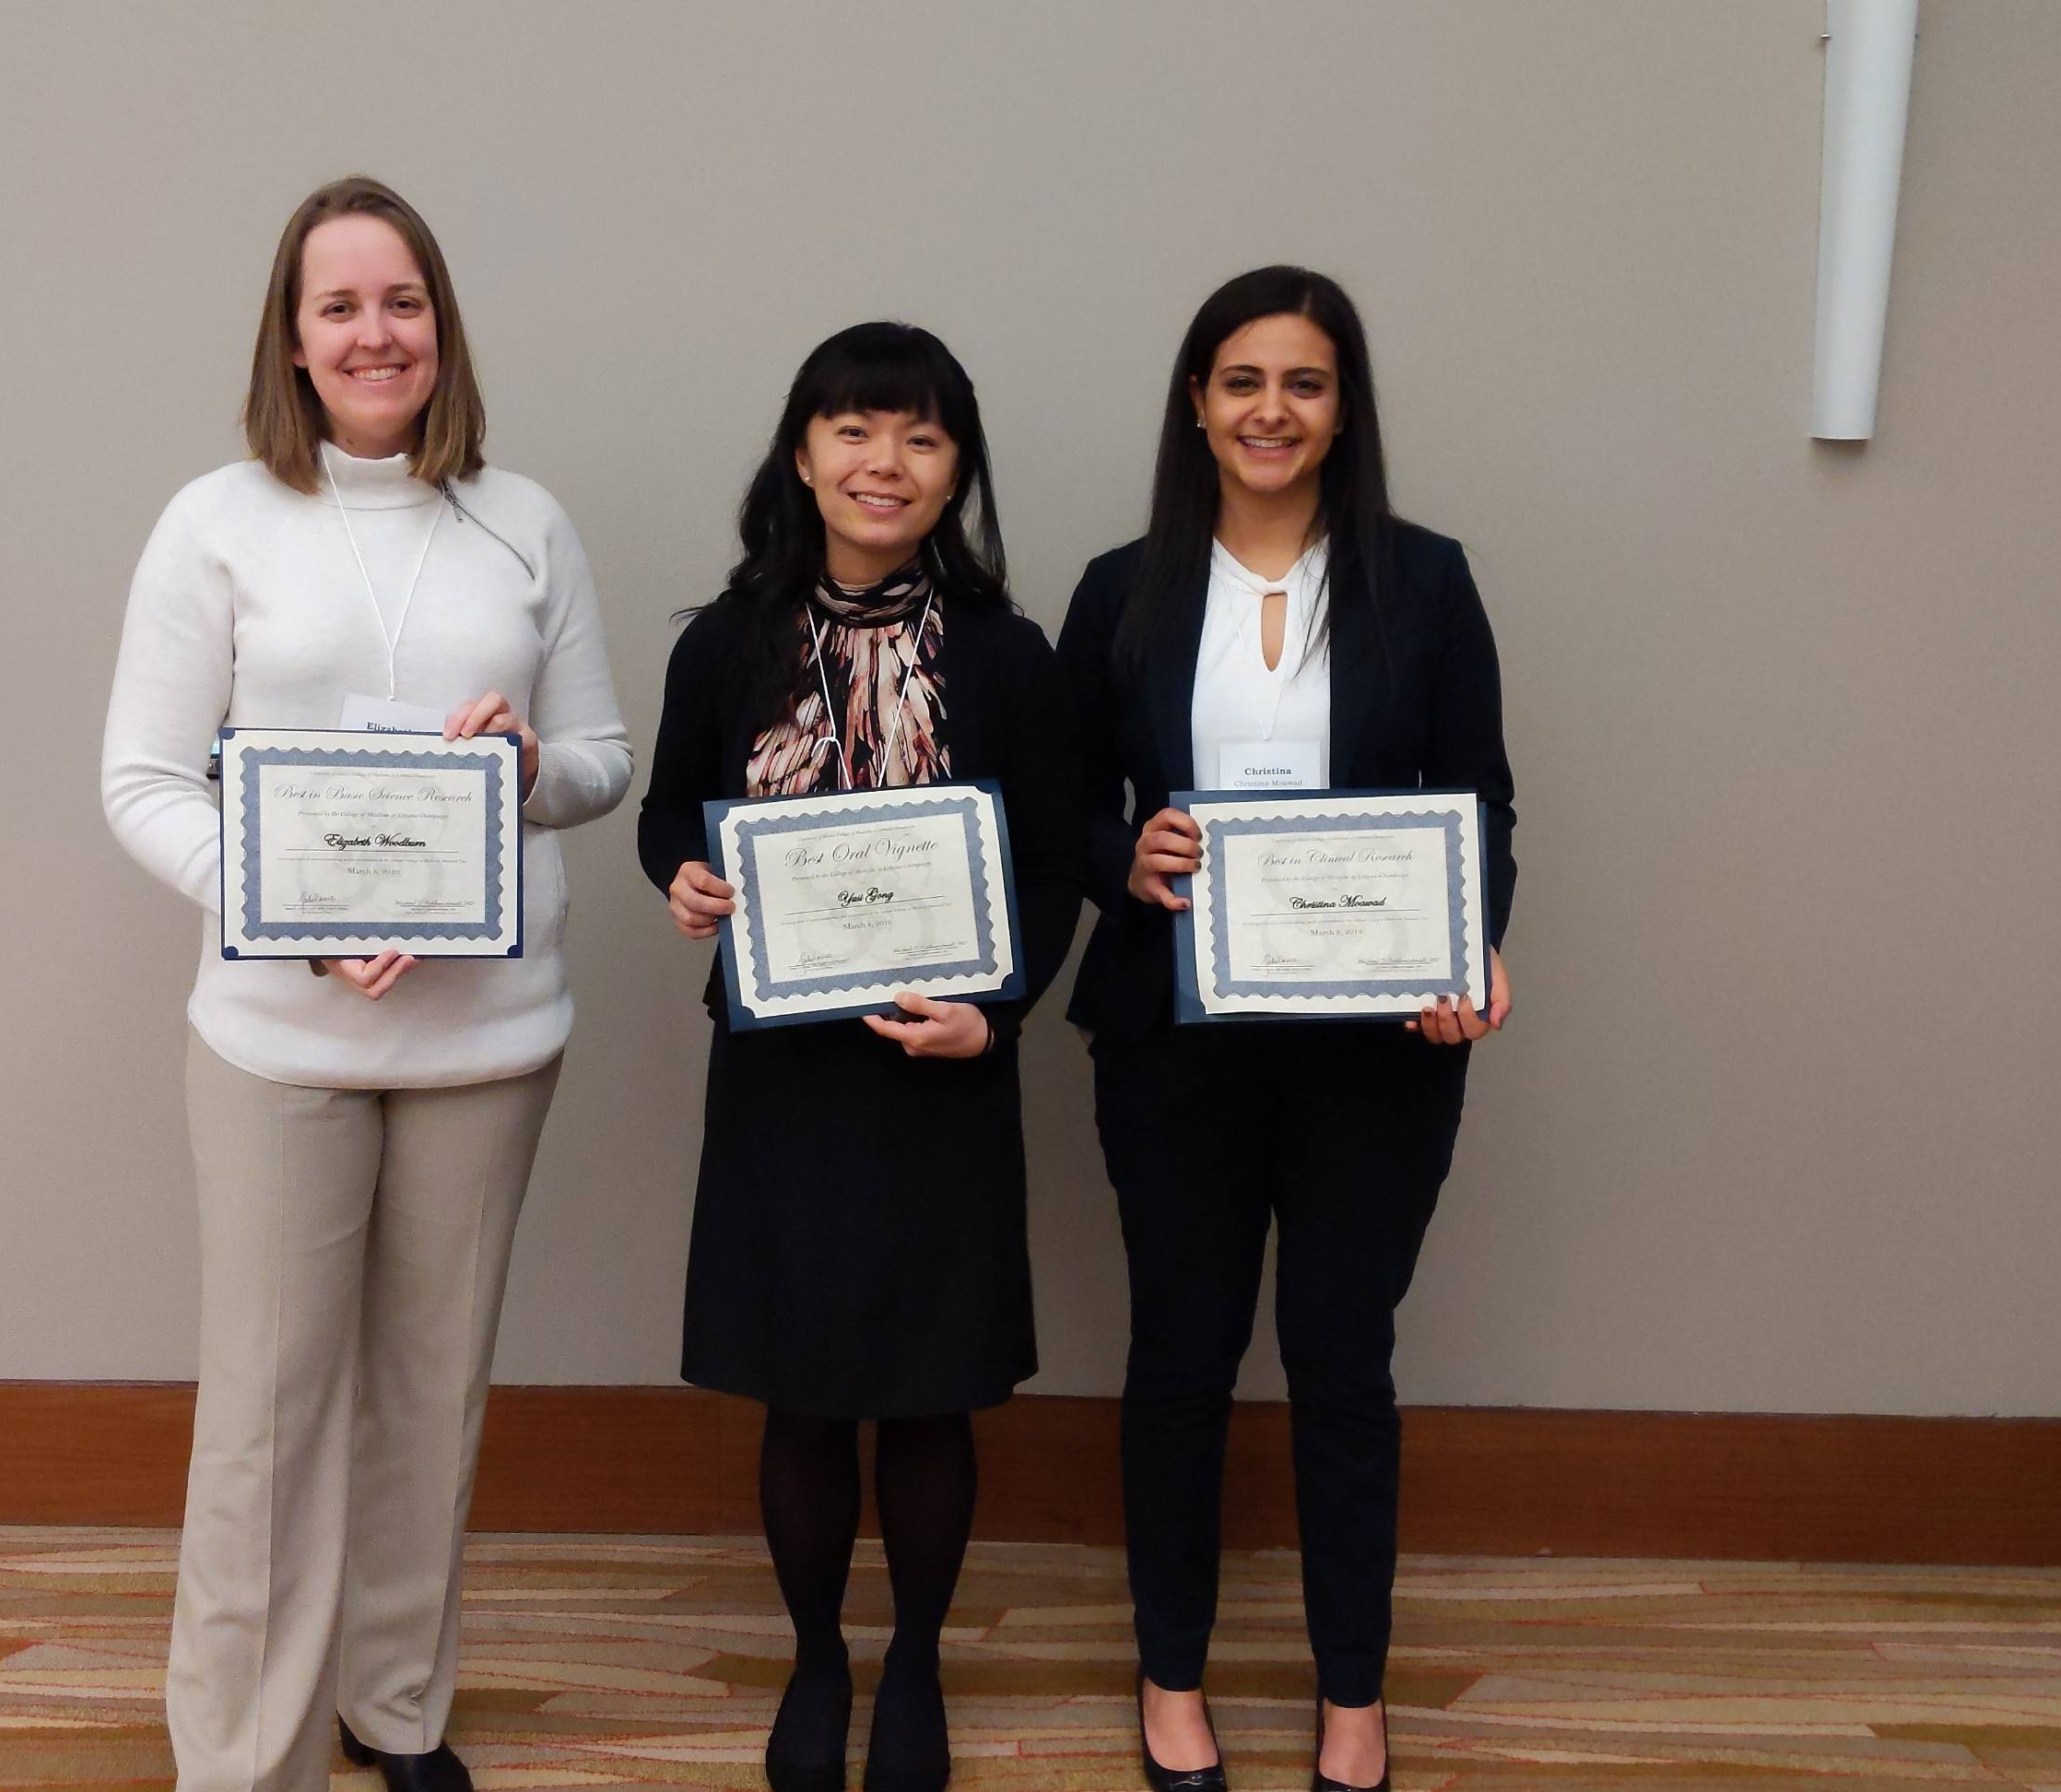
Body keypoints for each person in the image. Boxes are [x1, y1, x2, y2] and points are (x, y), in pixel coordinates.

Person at [100, 176, 630, 1792]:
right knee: (265, 1420)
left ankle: (394, 1711)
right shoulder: (215, 521)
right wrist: (286, 909)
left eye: (400, 300)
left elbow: (606, 763)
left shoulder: (524, 522)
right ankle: (243, 1756)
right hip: (278, 1041)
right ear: (293, 336)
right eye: (338, 306)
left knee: (430, 1399)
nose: (373, 331)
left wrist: (532, 766)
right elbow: (140, 782)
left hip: (488, 1044)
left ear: (439, 324)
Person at [1055, 265, 1517, 1792]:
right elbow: (1059, 806)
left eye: (1304, 383)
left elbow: (1480, 799)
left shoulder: (1427, 580)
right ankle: (1170, 1675)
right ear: (1197, 401)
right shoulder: (1121, 588)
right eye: (1242, 381)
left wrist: (1476, 945)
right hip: (1175, 1044)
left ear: (1342, 408)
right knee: (1181, 1357)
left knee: (1341, 1359)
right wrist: (1121, 856)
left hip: (1378, 1048)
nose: (1271, 410)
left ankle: (1352, 1698)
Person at [637, 323, 1080, 1792]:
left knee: (933, 1389)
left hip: (942, 1071)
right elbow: (666, 828)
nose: (883, 463)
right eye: (852, 430)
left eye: (922, 437)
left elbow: (1065, 863)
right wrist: (686, 890)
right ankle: (820, 1654)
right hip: (783, 1077)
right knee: (807, 1389)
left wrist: (997, 1012)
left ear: (958, 472)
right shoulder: (724, 641)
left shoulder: (1010, 657)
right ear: (803, 454)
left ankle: (918, 1662)